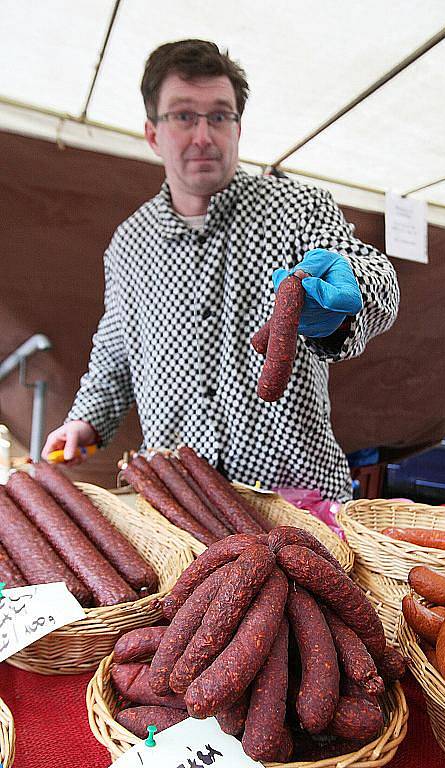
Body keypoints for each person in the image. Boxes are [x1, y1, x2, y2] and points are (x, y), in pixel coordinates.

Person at [42, 39, 399, 501]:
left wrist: (352, 293)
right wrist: (84, 419)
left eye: (220, 115)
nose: (204, 135)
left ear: (238, 127)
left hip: (300, 499)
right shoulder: (128, 243)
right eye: (184, 116)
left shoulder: (301, 209)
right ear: (153, 133)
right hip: (179, 501)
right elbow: (115, 351)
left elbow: (374, 276)